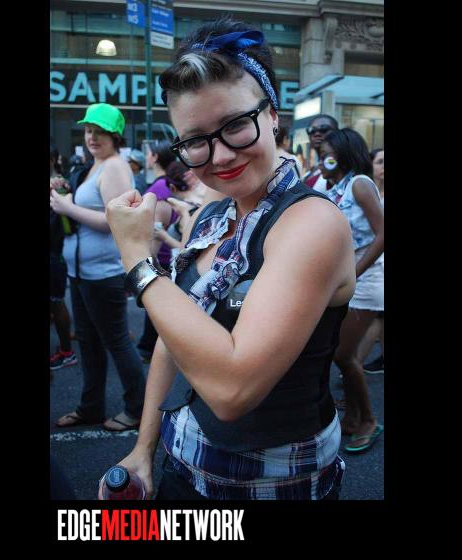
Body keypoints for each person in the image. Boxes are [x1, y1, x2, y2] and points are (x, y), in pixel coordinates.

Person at [104, 17, 356, 500]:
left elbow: (232, 391)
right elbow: (173, 340)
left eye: (236, 124)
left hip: (273, 487)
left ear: (273, 114)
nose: (219, 156)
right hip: (183, 467)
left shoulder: (312, 223)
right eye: (196, 140)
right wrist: (143, 448)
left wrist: (137, 259)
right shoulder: (212, 217)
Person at [50, 103, 147, 432]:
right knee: (89, 343)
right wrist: (65, 193)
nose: (92, 136)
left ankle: (137, 408)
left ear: (115, 135)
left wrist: (67, 207)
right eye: (89, 130)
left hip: (103, 273)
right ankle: (90, 407)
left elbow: (113, 220)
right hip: (82, 273)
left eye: (100, 131)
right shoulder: (98, 165)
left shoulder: (115, 166)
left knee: (117, 341)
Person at [318, 129, 384, 453]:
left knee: (344, 355)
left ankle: (369, 421)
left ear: (343, 155)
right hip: (349, 278)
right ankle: (354, 417)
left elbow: (383, 233)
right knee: (341, 354)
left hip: (367, 280)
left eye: (327, 156)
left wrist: (354, 273)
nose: (321, 161)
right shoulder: (338, 187)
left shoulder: (359, 183)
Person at [135, 141, 180, 363]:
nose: (146, 157)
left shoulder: (159, 189)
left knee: (155, 309)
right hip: (164, 259)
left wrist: (143, 265)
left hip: (160, 261)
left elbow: (155, 233)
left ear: (154, 157)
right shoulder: (164, 185)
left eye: (148, 154)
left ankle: (149, 350)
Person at [49, 142, 77, 371]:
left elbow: (64, 226)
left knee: (56, 302)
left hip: (54, 255)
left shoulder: (59, 186)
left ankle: (67, 351)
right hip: (56, 254)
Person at [358, 148, 384, 374]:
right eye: (381, 162)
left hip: (377, 269)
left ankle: (352, 363)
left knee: (378, 315)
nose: (384, 167)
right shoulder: (364, 192)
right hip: (372, 264)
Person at [303, 114, 339, 188]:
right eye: (312, 130)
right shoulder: (315, 168)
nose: (317, 134)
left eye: (324, 129)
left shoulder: (336, 166)